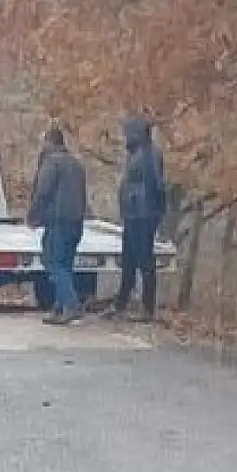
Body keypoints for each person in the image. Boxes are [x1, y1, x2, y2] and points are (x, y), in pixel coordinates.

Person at [103, 116, 167, 322]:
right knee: (129, 260)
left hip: (143, 214)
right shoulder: (135, 154)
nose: (125, 137)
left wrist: (155, 212)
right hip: (133, 214)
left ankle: (148, 309)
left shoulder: (149, 155)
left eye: (129, 133)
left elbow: (157, 185)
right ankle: (121, 303)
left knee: (144, 260)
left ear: (139, 134)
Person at [26, 126, 88, 325]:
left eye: (43, 141)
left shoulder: (52, 163)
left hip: (57, 220)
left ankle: (70, 305)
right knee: (65, 265)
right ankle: (59, 307)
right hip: (76, 221)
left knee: (53, 262)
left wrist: (33, 215)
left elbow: (43, 192)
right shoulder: (76, 163)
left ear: (50, 142)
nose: (41, 146)